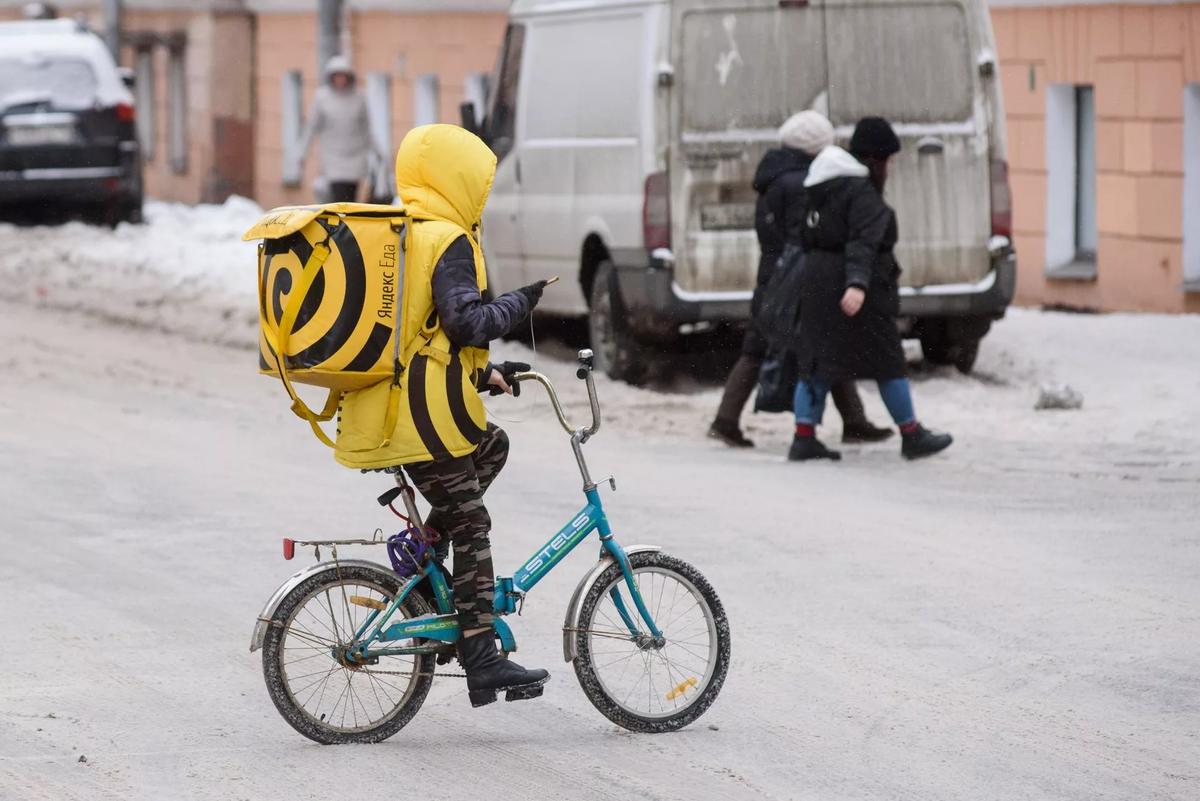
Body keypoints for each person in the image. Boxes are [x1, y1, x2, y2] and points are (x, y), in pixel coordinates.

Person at [334, 124, 552, 706]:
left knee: (493, 445)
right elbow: (464, 323)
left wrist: (484, 373)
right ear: (460, 179)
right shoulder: (449, 238)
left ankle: (427, 551)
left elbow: (420, 336)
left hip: (397, 407)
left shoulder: (404, 234)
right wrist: (520, 302)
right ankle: (481, 655)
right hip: (423, 421)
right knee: (474, 524)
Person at [708, 111, 890, 448]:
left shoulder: (775, 175)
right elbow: (803, 234)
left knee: (797, 343)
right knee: (813, 341)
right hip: (790, 277)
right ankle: (727, 421)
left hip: (773, 272)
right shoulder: (800, 183)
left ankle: (853, 419)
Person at [789, 117, 953, 462]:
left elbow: (804, 235)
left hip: (817, 281)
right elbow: (863, 242)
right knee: (888, 359)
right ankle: (912, 434)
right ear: (874, 159)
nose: (890, 167)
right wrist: (857, 284)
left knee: (818, 359)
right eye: (889, 160)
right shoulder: (860, 192)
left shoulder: (820, 187)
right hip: (858, 289)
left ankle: (803, 436)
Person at [298, 56, 382, 203]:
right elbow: (312, 126)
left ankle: (349, 225)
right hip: (333, 158)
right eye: (337, 76)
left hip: (355, 157)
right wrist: (303, 153)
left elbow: (366, 128)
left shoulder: (359, 97)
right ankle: (341, 224)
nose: (340, 80)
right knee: (339, 199)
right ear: (331, 78)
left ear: (349, 77)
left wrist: (378, 151)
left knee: (351, 201)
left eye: (343, 76)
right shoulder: (322, 98)